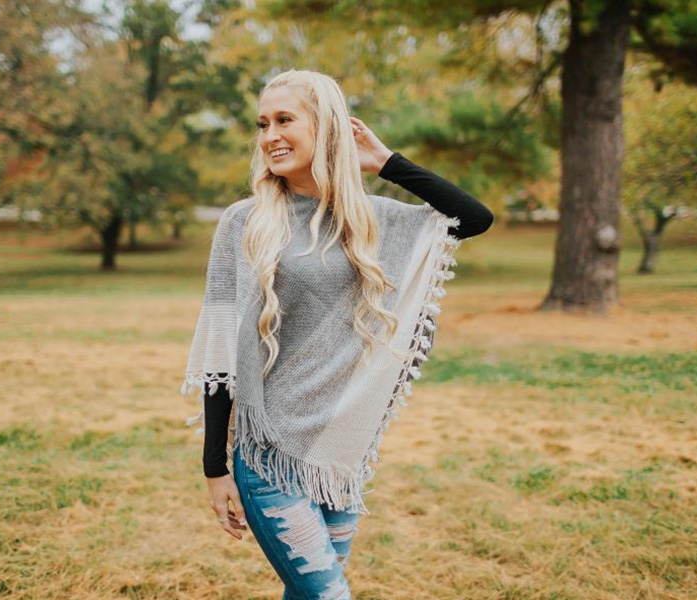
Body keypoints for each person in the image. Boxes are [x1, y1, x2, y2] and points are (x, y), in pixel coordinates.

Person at [181, 69, 493, 600]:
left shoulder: (372, 219)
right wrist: (215, 466)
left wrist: (386, 162)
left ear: (325, 127)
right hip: (268, 454)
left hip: (339, 456)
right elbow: (219, 349)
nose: (270, 135)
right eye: (263, 123)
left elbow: (473, 218)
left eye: (285, 120)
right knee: (328, 595)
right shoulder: (245, 222)